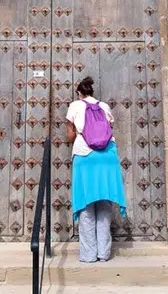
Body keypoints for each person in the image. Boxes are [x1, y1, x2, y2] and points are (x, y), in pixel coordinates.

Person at [65, 76, 127, 263]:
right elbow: (108, 131)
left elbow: (70, 136)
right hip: (107, 158)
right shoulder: (105, 106)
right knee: (104, 204)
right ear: (92, 92)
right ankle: (104, 253)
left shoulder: (75, 106)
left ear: (79, 93)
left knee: (86, 205)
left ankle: (89, 254)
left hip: (85, 157)